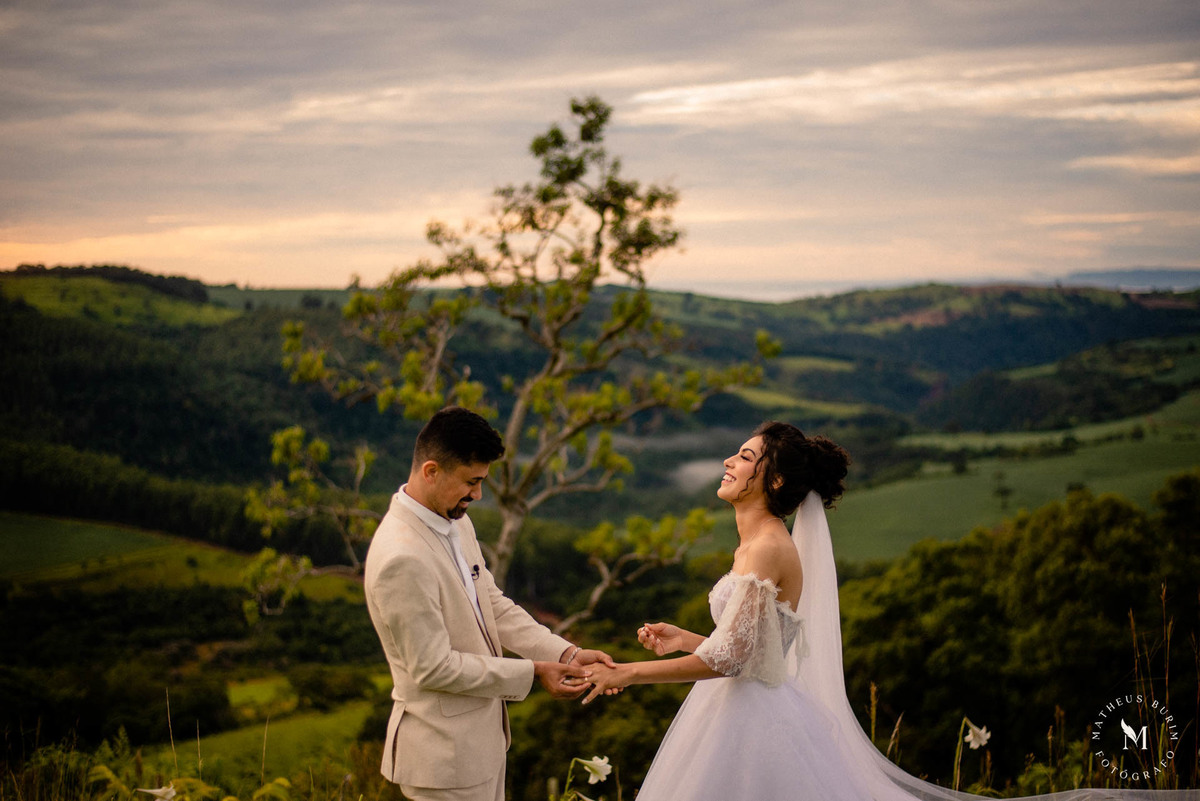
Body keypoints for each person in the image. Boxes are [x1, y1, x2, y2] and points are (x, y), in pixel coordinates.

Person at [574, 421, 1198, 801]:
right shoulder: (753, 545)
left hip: (749, 725)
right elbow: (753, 642)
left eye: (744, 457)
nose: (729, 463)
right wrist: (685, 637)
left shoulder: (766, 548)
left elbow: (734, 657)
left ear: (775, 483)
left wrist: (625, 672)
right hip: (741, 707)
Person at [364, 406, 613, 801]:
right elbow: (433, 668)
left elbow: (492, 604)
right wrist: (533, 672)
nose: (477, 495)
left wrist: (564, 652)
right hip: (441, 762)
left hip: (482, 749)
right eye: (471, 481)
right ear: (431, 471)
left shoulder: (455, 520)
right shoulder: (401, 558)